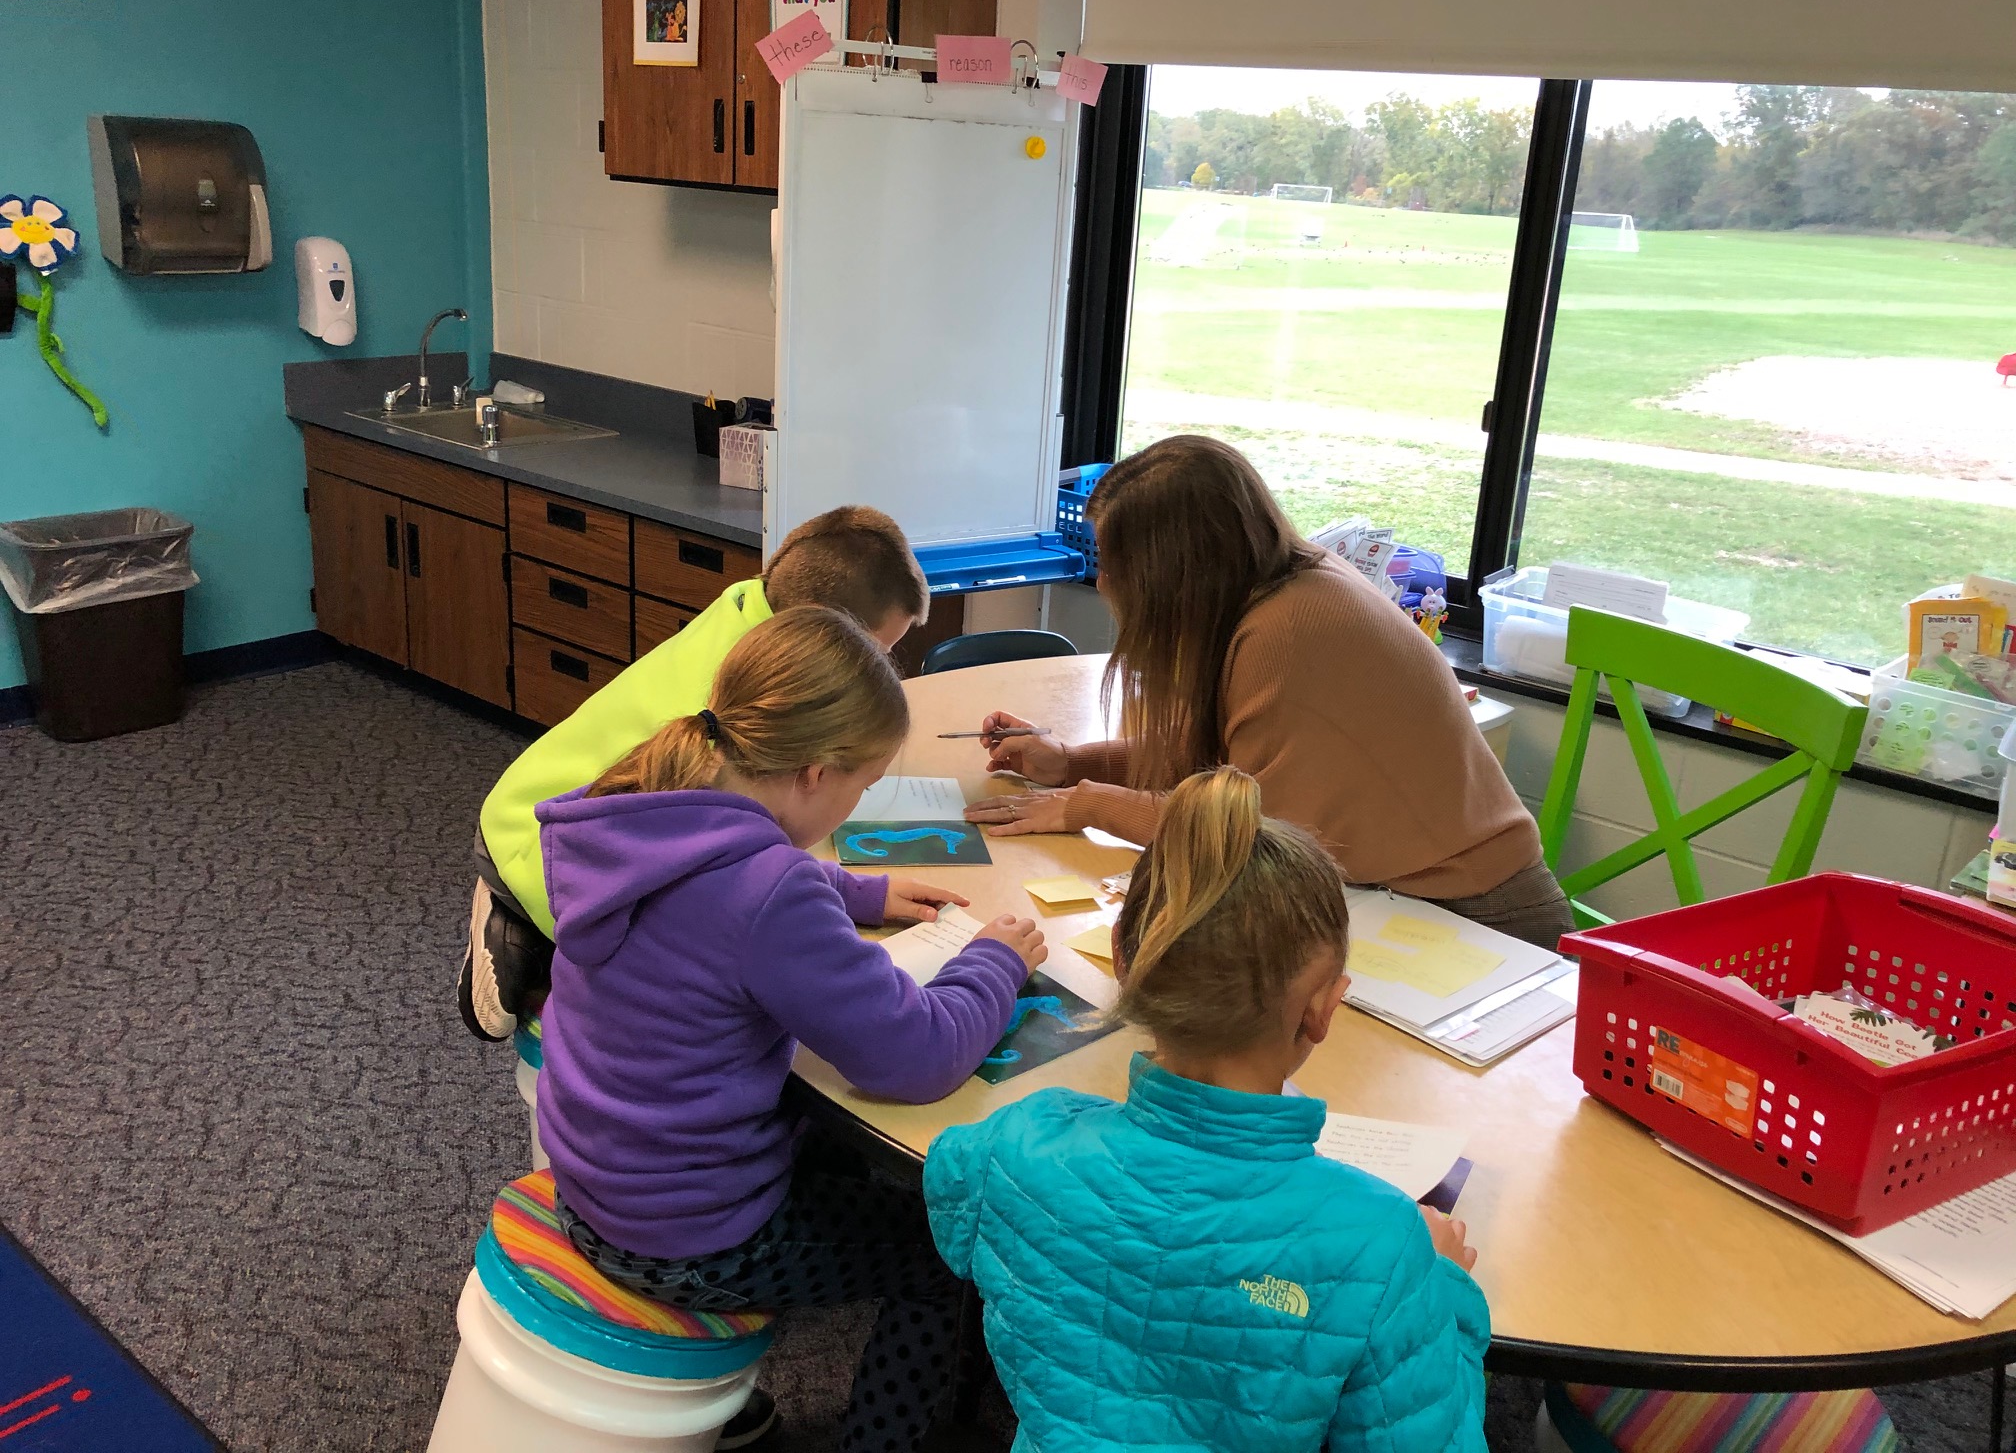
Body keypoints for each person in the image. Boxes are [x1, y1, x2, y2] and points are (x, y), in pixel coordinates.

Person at [538, 606, 1046, 1452]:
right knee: (941, 1260)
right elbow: (915, 1058)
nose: (856, 803)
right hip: (686, 1235)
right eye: (862, 786)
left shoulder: (645, 794)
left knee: (847, 1145)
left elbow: (727, 877)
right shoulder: (771, 893)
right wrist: (995, 961)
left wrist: (862, 894)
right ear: (816, 774)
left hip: (595, 1178)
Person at [924, 767, 1489, 1452]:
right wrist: (1443, 1294)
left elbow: (952, 1185)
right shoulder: (1383, 1246)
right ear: (1323, 1009)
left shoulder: (1018, 1142)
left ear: (1125, 966)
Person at [964, 434, 1572, 948]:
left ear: (1174, 569)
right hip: (1399, 898)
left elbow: (1235, 828)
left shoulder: (1289, 632)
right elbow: (1226, 761)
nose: (1101, 580)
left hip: (1471, 919)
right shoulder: (1275, 592)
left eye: (1113, 562)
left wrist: (1087, 802)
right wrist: (1071, 763)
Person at [460, 504, 930, 1038]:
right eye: (874, 653)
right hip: (532, 842)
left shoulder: (750, 613)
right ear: (817, 635)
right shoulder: (743, 719)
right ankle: (513, 914)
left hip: (546, 806)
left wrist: (851, 891)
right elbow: (740, 882)